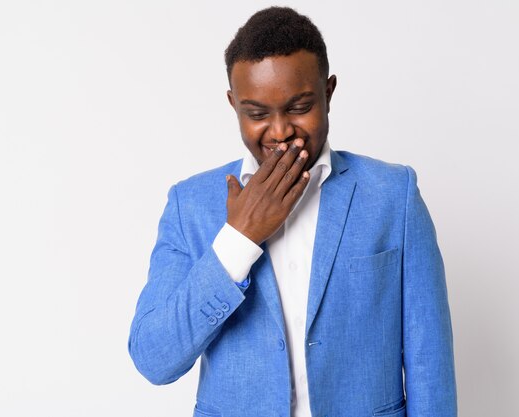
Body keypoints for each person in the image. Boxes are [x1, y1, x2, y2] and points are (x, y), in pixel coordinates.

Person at [128, 6, 457, 417]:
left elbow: (430, 365)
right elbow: (154, 359)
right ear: (234, 105)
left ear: (329, 92)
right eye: (258, 114)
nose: (281, 131)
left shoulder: (393, 195)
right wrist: (238, 240)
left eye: (300, 107)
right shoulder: (189, 205)